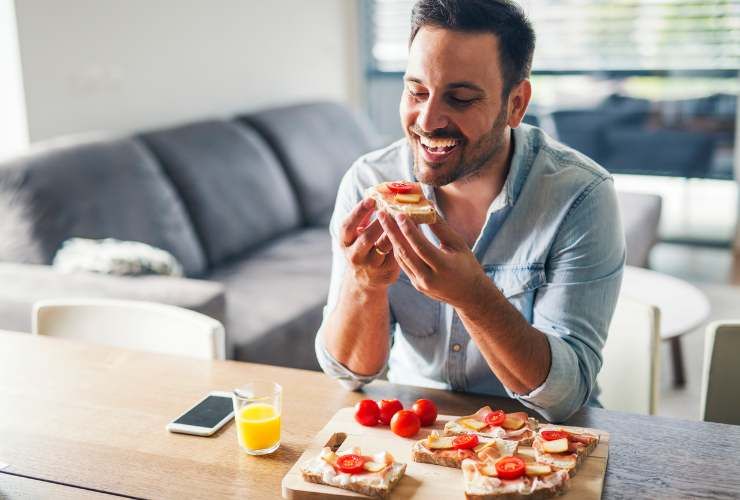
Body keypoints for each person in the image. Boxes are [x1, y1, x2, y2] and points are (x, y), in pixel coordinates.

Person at [315, 0, 625, 422]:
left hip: (536, 436)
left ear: (516, 103)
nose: (427, 120)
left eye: (460, 99)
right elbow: (346, 373)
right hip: (417, 423)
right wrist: (364, 286)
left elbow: (565, 397)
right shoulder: (368, 183)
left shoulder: (581, 196)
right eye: (416, 91)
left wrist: (472, 295)